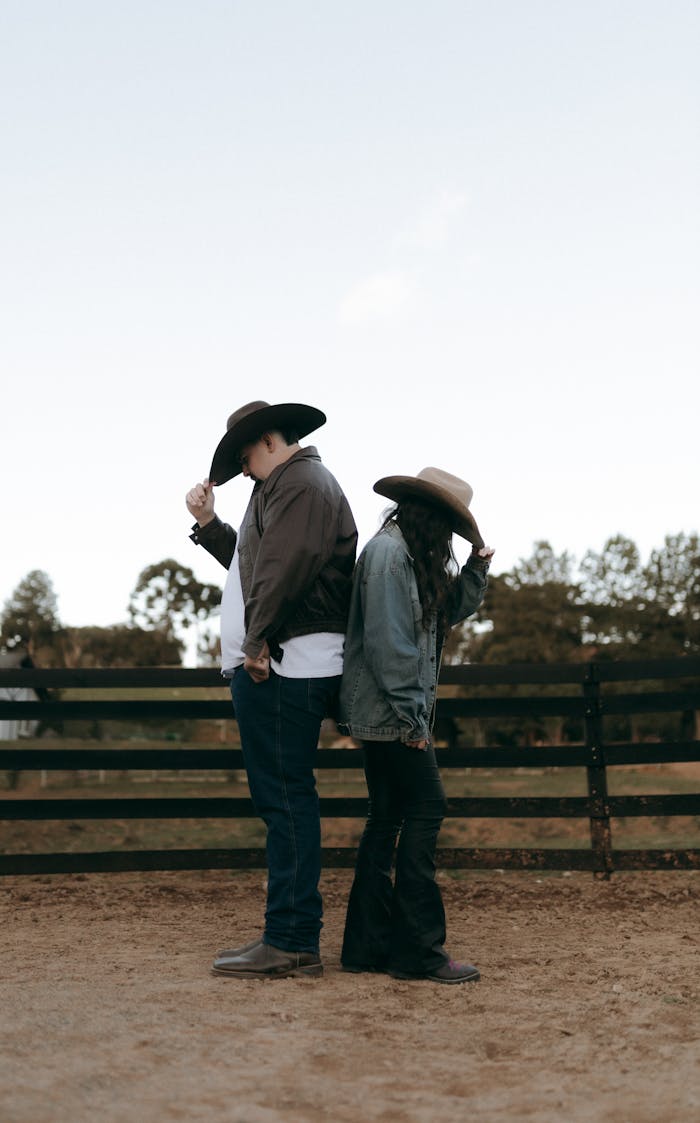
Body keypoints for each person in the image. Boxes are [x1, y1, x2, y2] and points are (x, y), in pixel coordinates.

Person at [186, 400, 357, 979]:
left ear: (264, 440)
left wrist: (256, 644)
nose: (242, 466)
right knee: (282, 800)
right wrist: (210, 527)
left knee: (285, 801)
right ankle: (290, 935)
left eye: (242, 455)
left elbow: (286, 567)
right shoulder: (279, 489)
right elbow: (252, 564)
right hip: (276, 664)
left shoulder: (302, 484)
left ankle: (290, 939)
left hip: (285, 667)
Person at [338, 466, 494, 984]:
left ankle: (367, 947)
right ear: (433, 517)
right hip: (390, 716)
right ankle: (419, 952)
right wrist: (413, 721)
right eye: (450, 525)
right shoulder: (388, 558)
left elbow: (440, 616)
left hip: (386, 714)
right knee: (429, 807)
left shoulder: (407, 555)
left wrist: (477, 567)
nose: (451, 536)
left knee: (386, 819)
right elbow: (390, 648)